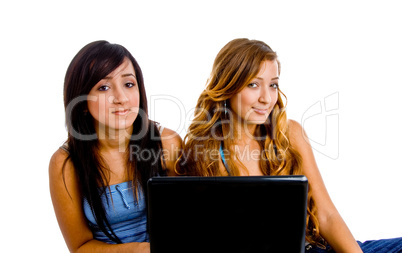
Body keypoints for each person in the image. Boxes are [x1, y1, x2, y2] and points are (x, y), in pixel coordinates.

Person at [177, 38, 402, 252]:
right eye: (253, 84)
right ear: (228, 86)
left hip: (312, 248)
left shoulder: (290, 134)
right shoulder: (206, 152)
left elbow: (326, 215)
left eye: (273, 85)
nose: (266, 98)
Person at [49, 40, 182, 252]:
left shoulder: (167, 143)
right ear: (81, 102)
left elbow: (187, 220)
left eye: (129, 84)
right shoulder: (65, 163)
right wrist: (137, 250)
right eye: (103, 87)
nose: (121, 98)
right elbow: (80, 247)